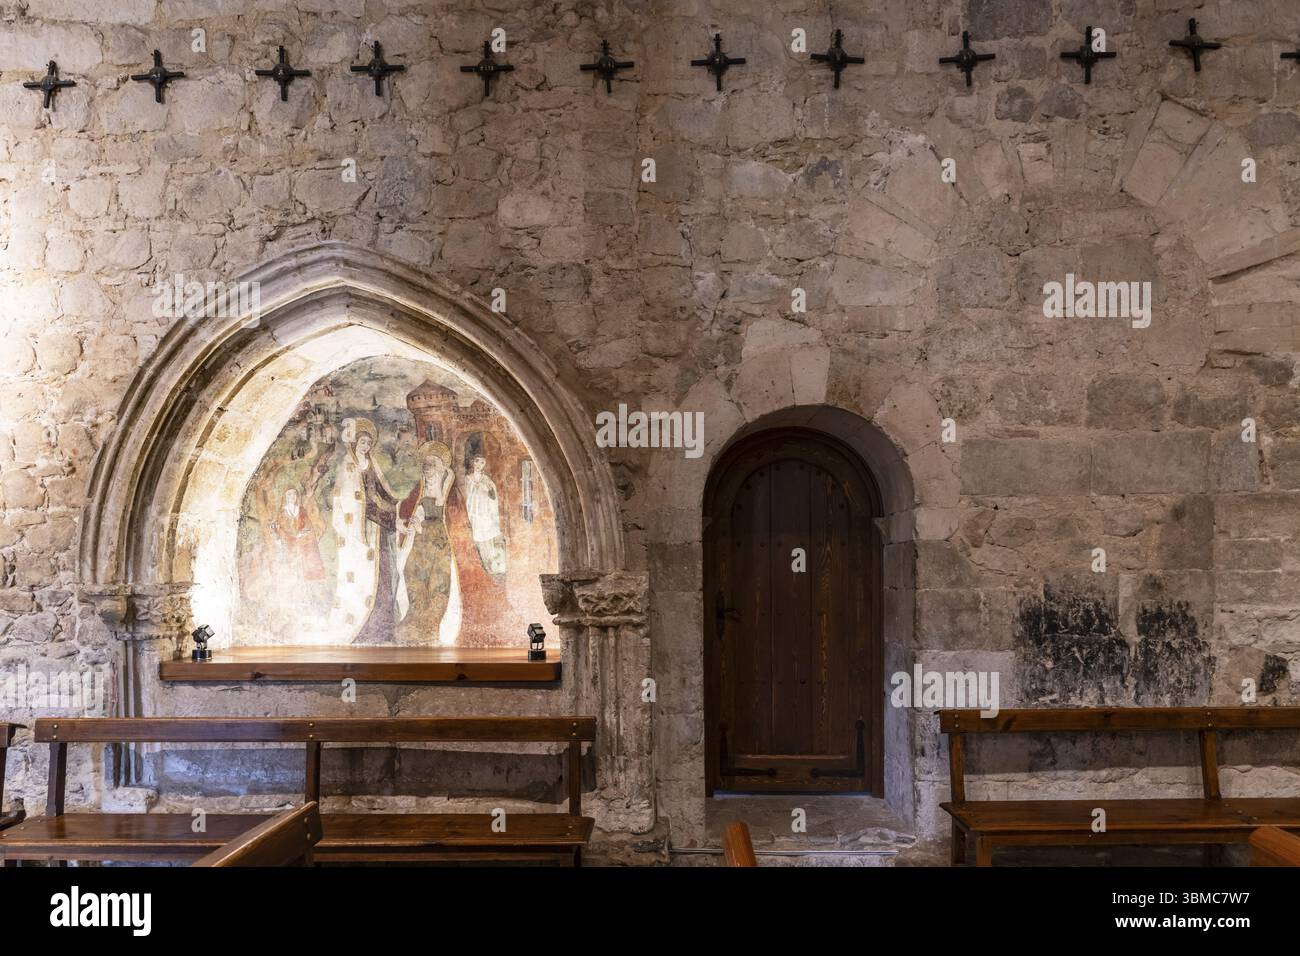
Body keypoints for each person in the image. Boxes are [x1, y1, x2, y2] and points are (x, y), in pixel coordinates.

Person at [329, 417, 403, 642]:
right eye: (362, 442)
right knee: (360, 575)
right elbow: (348, 500)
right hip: (358, 532)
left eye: (368, 443)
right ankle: (361, 627)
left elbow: (383, 493)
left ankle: (382, 628)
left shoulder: (372, 464)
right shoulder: (347, 466)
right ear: (354, 444)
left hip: (376, 529)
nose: (366, 446)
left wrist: (399, 508)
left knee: (382, 574)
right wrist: (388, 518)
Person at [394, 442, 456, 643]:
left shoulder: (447, 490)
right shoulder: (419, 488)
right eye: (425, 466)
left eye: (431, 466)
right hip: (420, 543)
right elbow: (408, 507)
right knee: (411, 571)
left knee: (438, 581)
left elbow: (449, 517)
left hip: (439, 543)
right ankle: (415, 619)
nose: (427, 470)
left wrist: (424, 527)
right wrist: (409, 523)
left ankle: (430, 625)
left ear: (439, 468)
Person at [463, 454, 507, 577]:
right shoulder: (468, 479)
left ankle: (494, 566)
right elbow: (467, 496)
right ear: (473, 462)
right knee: (478, 539)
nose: (479, 465)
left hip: (485, 513)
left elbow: (493, 496)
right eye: (477, 461)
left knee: (489, 537)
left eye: (482, 463)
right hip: (474, 513)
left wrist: (487, 489)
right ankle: (484, 567)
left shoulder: (486, 479)